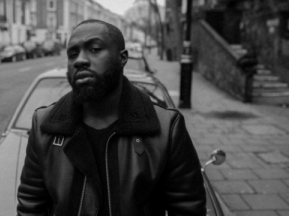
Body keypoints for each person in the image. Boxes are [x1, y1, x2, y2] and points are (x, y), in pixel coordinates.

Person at [17, 19, 206, 216]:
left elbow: (188, 209)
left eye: (95, 49)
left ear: (122, 57)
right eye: (73, 54)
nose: (79, 60)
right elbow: (31, 207)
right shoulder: (44, 126)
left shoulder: (167, 128)